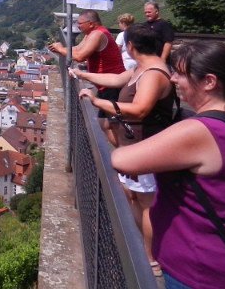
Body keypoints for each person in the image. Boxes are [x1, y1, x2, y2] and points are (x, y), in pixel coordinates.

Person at [110, 41, 225, 289]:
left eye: (181, 73)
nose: (174, 79)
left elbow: (122, 160)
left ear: (209, 81)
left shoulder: (202, 131)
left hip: (197, 270)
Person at [75, 23, 174, 277]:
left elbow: (140, 108)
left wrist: (101, 102)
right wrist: (83, 75)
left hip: (148, 146)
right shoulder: (141, 68)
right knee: (132, 195)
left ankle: (151, 258)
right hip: (136, 145)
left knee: (146, 203)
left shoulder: (153, 73)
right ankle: (144, 249)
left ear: (130, 45)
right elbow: (116, 79)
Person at [48, 10, 125, 141]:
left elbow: (79, 56)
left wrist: (61, 48)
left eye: (80, 23)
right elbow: (77, 49)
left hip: (112, 84)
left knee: (116, 125)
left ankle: (123, 155)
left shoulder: (98, 34)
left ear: (90, 23)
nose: (78, 26)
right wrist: (60, 49)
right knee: (104, 123)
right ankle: (120, 152)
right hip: (104, 84)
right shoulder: (91, 34)